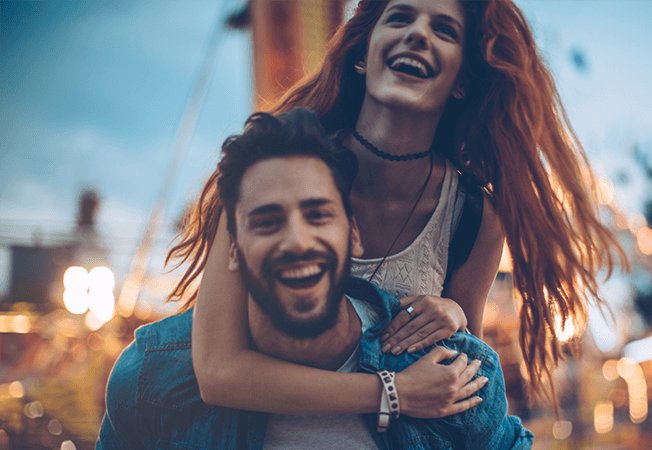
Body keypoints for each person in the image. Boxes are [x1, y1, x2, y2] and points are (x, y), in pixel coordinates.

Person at [166, 0, 624, 416]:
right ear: (363, 54)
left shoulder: (473, 217)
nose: (419, 34)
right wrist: (393, 392)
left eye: (444, 30)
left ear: (462, 81)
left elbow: (458, 392)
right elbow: (219, 372)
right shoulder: (269, 168)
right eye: (401, 17)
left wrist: (457, 317)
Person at [98, 109, 533, 449]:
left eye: (318, 215)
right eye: (267, 221)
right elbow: (217, 374)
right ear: (231, 246)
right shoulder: (148, 382)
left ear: (354, 233)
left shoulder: (449, 376)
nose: (296, 241)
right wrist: (391, 393)